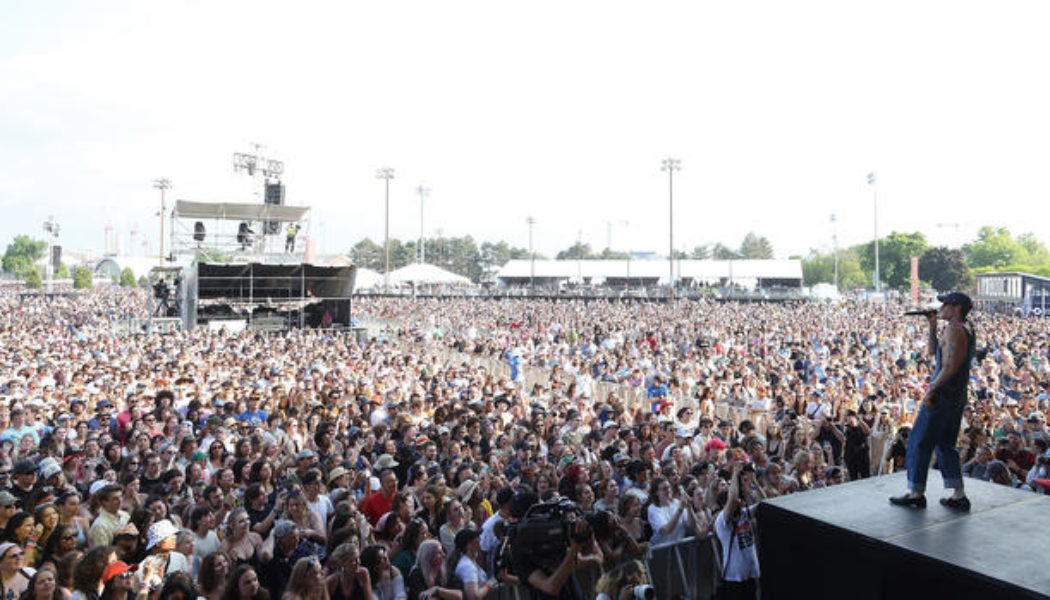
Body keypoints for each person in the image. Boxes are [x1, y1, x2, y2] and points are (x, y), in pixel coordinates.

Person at [891, 293, 976, 511]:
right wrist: (932, 326)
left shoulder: (955, 330)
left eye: (945, 304)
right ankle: (958, 494)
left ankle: (916, 492)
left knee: (919, 441)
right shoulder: (965, 328)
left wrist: (931, 391)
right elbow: (934, 354)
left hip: (942, 396)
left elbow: (949, 367)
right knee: (946, 444)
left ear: (956, 307)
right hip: (955, 396)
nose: (941, 307)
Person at [713, 462, 759, 600]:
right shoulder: (722, 521)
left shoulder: (745, 513)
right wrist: (735, 473)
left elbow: (764, 502)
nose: (739, 501)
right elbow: (732, 498)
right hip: (734, 579)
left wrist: (752, 481)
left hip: (750, 575)